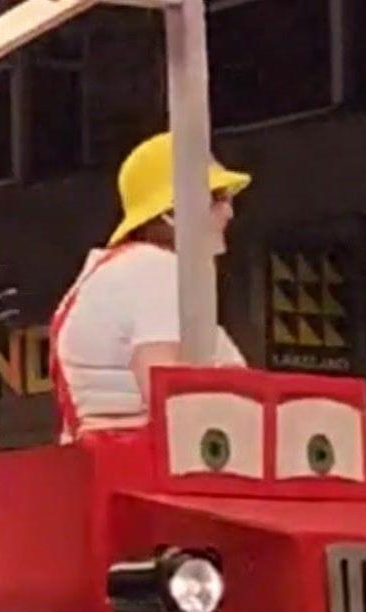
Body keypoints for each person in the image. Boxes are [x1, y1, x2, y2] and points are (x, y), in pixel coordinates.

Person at [49, 131, 251, 441]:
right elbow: (168, 391)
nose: (229, 212)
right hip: (145, 474)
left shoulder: (121, 271)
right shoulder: (155, 269)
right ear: (171, 212)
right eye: (217, 198)